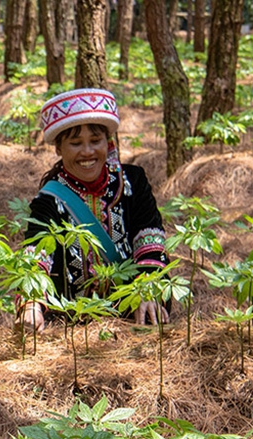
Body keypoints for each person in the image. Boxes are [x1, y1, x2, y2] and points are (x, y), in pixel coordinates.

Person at [18, 88, 170, 332]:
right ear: (58, 148)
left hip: (133, 310)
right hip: (71, 319)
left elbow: (149, 239)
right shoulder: (49, 199)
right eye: (75, 143)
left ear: (108, 142)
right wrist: (31, 304)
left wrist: (148, 290)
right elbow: (37, 254)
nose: (87, 152)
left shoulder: (133, 182)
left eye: (95, 141)